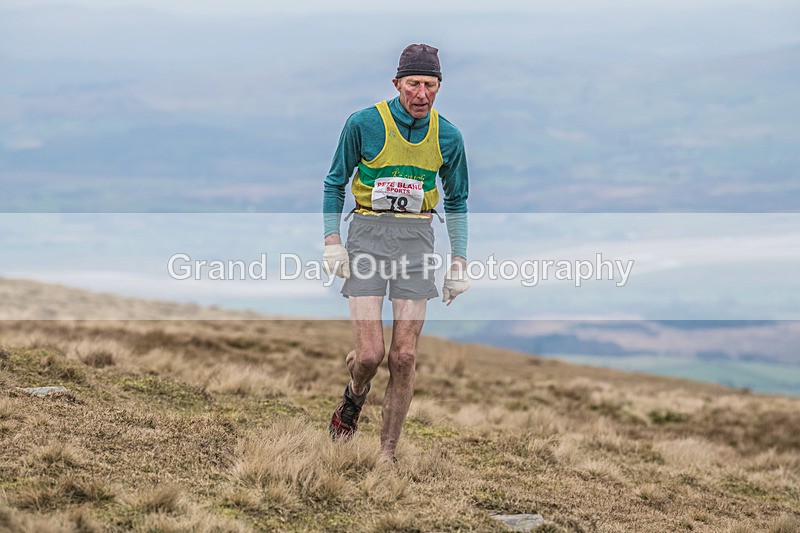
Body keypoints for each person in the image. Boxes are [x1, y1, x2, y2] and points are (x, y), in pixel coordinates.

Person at [322, 43, 469, 462]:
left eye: (430, 84)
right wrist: (331, 240)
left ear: (439, 86)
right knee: (370, 354)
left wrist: (459, 260)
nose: (421, 94)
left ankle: (386, 456)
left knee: (404, 356)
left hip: (417, 241)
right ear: (397, 84)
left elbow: (457, 200)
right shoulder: (364, 123)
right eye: (413, 84)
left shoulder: (449, 136)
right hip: (367, 235)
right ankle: (355, 394)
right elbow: (334, 182)